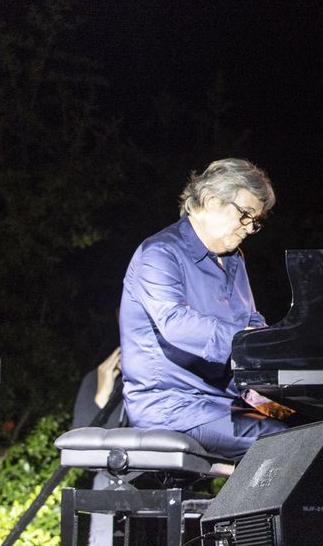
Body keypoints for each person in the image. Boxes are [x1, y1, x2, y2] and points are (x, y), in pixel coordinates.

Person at [119, 158, 292, 460]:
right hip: (172, 406)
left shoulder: (234, 259)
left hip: (225, 401)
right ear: (212, 200)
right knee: (283, 443)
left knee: (309, 426)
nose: (251, 228)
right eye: (246, 215)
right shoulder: (160, 254)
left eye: (257, 220)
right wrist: (249, 342)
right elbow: (176, 323)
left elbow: (250, 320)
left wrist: (279, 353)